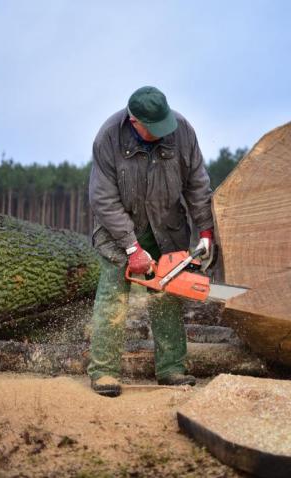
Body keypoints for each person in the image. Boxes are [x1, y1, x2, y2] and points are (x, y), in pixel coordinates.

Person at [87, 85, 214, 397]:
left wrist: (206, 232)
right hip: (120, 231)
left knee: (168, 298)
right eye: (153, 129)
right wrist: (132, 247)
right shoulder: (108, 137)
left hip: (167, 229)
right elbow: (102, 198)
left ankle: (172, 368)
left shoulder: (182, 131)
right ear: (134, 121)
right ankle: (103, 372)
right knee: (113, 299)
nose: (161, 133)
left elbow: (197, 184)